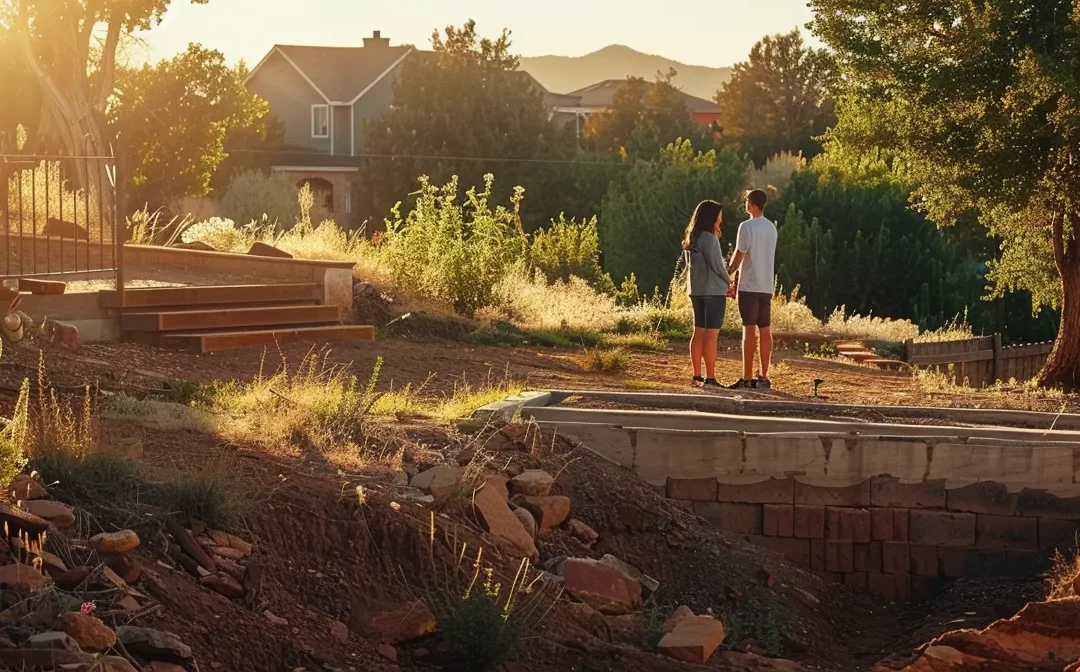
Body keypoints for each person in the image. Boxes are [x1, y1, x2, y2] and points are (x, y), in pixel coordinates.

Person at [727, 189, 777, 389]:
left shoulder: (746, 226)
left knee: (749, 330)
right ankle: (763, 375)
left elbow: (740, 254)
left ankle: (747, 377)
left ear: (751, 203)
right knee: (765, 330)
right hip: (766, 286)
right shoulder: (772, 228)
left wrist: (728, 272)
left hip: (749, 285)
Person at [683, 199, 730, 387]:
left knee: (698, 333)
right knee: (711, 336)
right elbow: (717, 266)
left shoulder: (691, 239)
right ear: (712, 216)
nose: (721, 218)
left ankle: (696, 375)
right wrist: (730, 282)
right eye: (719, 214)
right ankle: (710, 377)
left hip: (696, 291)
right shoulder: (710, 239)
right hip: (714, 292)